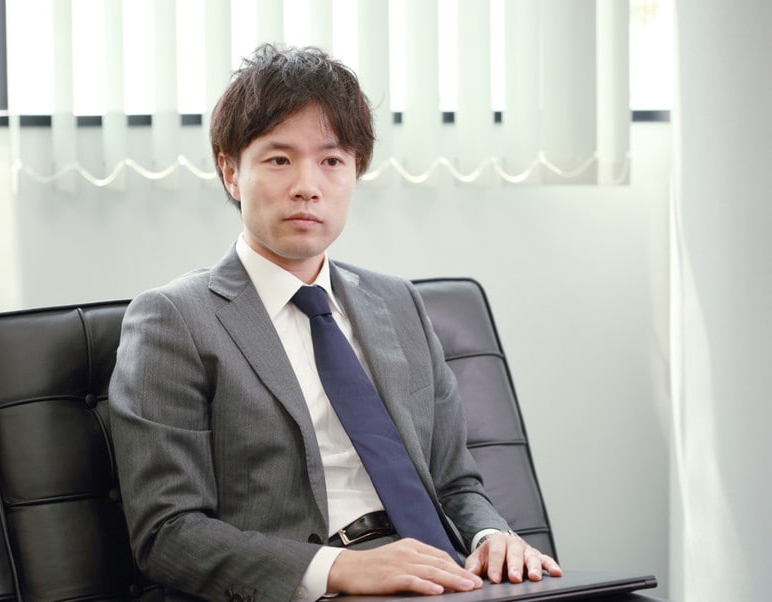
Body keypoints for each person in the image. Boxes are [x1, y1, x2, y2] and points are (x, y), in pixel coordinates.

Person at [109, 44, 561, 601]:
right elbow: (168, 533)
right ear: (231, 172)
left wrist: (493, 536)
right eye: (279, 160)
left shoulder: (397, 302)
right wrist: (339, 569)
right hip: (313, 585)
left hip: (447, 576)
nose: (308, 185)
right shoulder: (174, 319)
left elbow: (454, 482)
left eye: (332, 161)